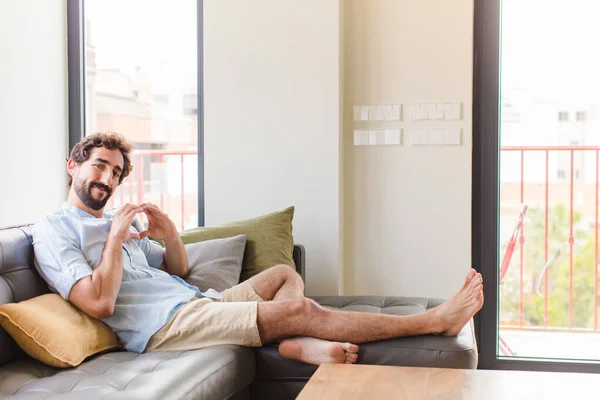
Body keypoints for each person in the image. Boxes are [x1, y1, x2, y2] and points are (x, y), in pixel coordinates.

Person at [32, 132, 484, 366]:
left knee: (282, 276)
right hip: (162, 330)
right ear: (73, 165)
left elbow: (180, 269)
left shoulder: (116, 224)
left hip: (195, 303)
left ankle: (296, 345)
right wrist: (113, 238)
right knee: (302, 306)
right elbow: (99, 302)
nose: (107, 180)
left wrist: (169, 235)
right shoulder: (53, 230)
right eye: (99, 167)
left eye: (115, 173)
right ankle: (433, 321)